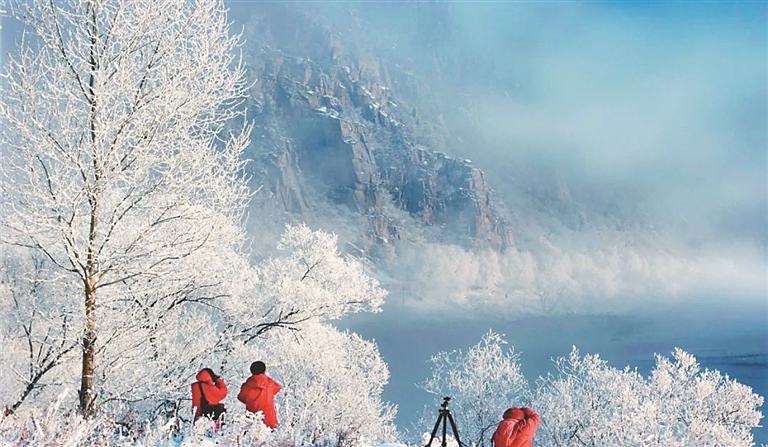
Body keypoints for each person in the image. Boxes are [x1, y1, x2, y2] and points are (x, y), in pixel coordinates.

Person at [237, 361, 282, 428]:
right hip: (269, 419)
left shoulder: (247, 386)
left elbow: (241, 397)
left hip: (252, 419)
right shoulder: (270, 383)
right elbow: (277, 388)